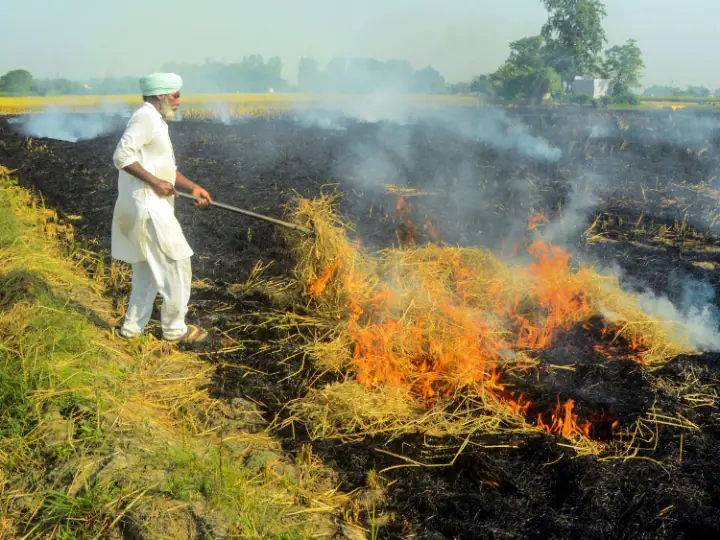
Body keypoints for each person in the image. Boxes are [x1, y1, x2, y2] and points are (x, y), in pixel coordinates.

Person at [111, 72, 212, 343]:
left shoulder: (156, 121)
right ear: (161, 95)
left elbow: (168, 169)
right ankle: (175, 330)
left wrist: (192, 187)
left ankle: (131, 331)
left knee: (147, 270)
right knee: (177, 262)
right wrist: (155, 182)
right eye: (176, 95)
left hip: (149, 205)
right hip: (148, 206)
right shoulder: (144, 117)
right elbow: (121, 155)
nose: (179, 100)